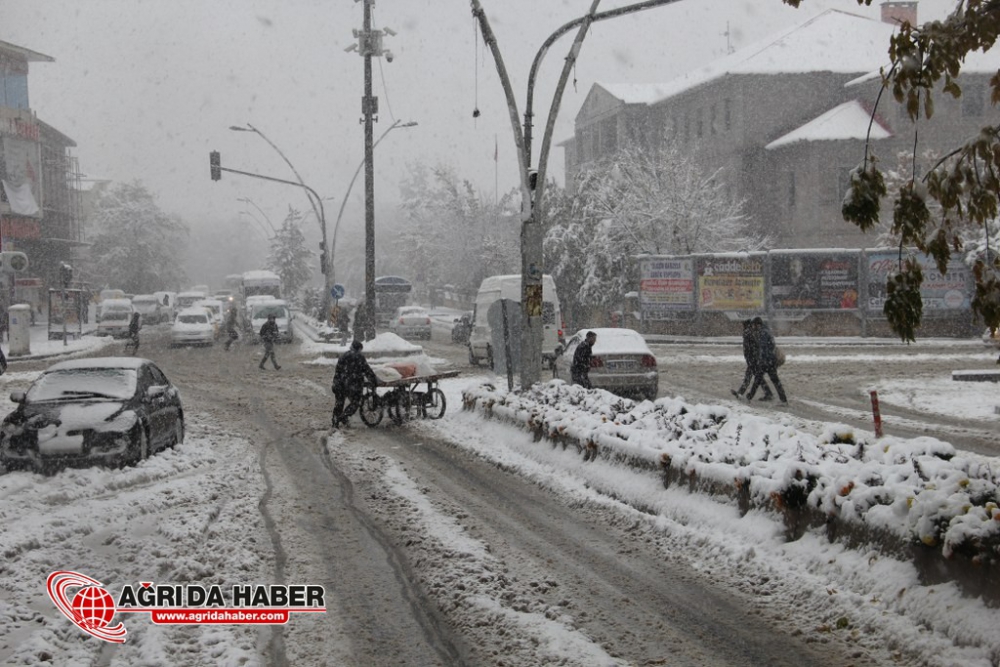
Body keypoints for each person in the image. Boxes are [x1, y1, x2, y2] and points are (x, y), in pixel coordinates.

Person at [331, 340, 379, 428]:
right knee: (356, 403)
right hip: (352, 385)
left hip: (339, 384)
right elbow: (367, 370)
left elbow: (338, 371)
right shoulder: (359, 357)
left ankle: (335, 422)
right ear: (359, 349)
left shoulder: (344, 356)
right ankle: (344, 416)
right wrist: (374, 381)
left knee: (339, 403)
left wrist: (336, 382)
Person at [746, 317, 788, 404]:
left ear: (758, 325)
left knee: (758, 379)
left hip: (766, 362)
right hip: (770, 361)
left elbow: (764, 349)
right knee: (775, 381)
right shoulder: (766, 331)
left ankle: (750, 396)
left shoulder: (763, 333)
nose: (753, 327)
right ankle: (783, 400)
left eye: (754, 325)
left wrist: (761, 360)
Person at [731, 318, 772, 401]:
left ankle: (741, 393)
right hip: (753, 359)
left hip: (753, 360)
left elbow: (752, 348)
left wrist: (752, 359)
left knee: (750, 377)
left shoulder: (748, 333)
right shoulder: (751, 333)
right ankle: (768, 393)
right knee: (756, 377)